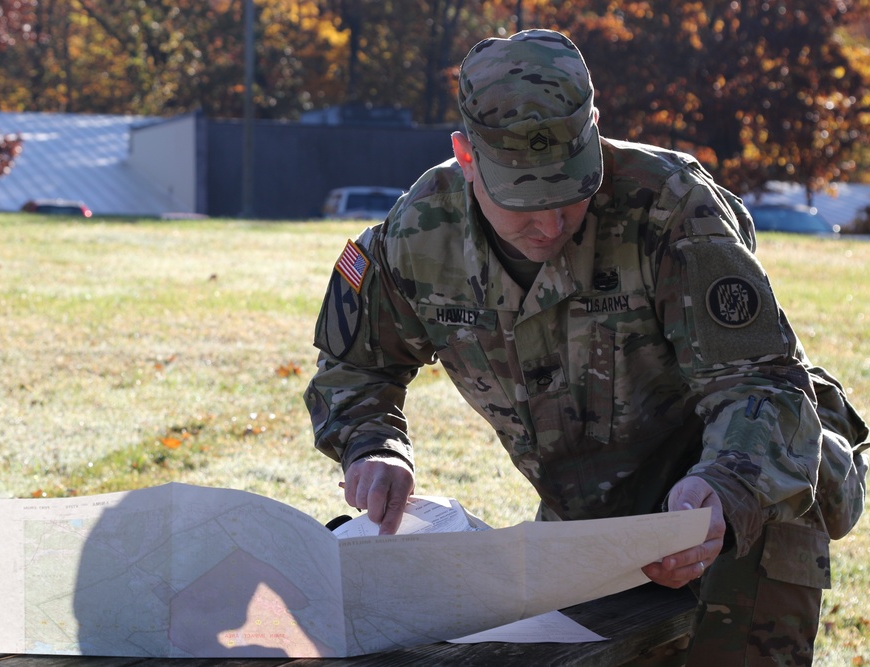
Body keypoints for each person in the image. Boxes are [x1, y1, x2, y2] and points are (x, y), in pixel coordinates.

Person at [304, 28, 869, 666]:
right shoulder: (417, 235)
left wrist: (724, 488)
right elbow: (354, 368)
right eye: (523, 201)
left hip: (746, 494)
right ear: (466, 157)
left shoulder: (671, 208)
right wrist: (373, 446)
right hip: (590, 523)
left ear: (594, 131)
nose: (550, 224)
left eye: (571, 195)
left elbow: (762, 383)